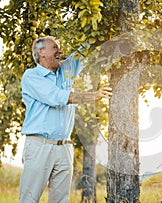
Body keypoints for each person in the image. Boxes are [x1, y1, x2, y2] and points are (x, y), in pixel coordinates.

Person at [19, 36, 112, 203]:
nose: (60, 51)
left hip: (64, 148)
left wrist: (97, 25)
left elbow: (86, 47)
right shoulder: (31, 76)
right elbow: (57, 97)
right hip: (40, 146)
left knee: (60, 200)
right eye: (55, 47)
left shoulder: (66, 69)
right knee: (29, 199)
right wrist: (94, 95)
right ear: (41, 52)